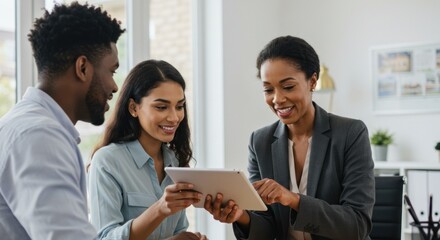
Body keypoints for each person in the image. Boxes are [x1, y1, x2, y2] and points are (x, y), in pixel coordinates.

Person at [203, 36, 375, 240]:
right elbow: (267, 229)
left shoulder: (350, 133)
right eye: (268, 89)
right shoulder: (260, 142)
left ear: (312, 81)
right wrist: (240, 215)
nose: (277, 99)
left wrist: (292, 199)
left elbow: (356, 225)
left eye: (288, 87)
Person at [0, 2, 124, 239]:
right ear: (83, 68)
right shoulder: (39, 137)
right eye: (112, 71)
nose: (114, 86)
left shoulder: (26, 126)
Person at [88, 59, 207, 240]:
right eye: (161, 107)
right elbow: (105, 237)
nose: (174, 118)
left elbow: (176, 231)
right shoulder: (107, 161)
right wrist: (159, 209)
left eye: (180, 106)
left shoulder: (175, 161)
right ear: (133, 108)